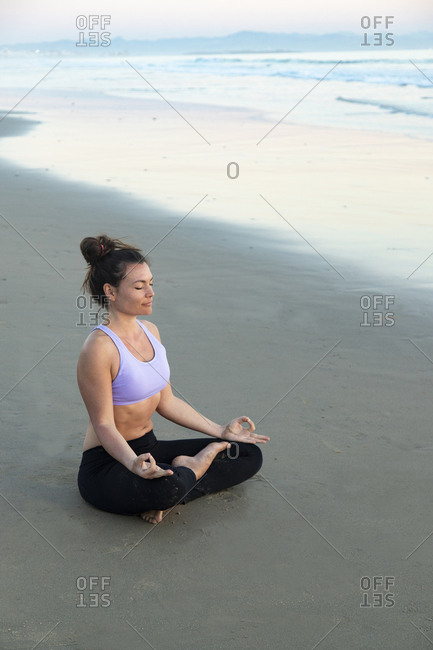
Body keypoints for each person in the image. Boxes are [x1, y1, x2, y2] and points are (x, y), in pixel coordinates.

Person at [77, 235, 269, 524]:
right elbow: (103, 424)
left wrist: (221, 430)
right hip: (108, 463)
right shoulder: (99, 348)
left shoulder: (151, 332)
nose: (150, 292)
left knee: (246, 454)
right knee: (168, 488)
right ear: (111, 292)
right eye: (139, 286)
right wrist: (133, 463)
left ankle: (179, 479)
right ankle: (184, 477)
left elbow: (166, 401)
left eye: (151, 283)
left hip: (150, 447)